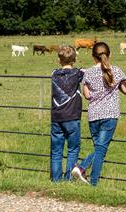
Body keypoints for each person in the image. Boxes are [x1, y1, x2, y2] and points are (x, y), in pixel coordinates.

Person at [71, 42, 126, 186]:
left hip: (94, 115)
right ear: (109, 55)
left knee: (99, 147)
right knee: (101, 149)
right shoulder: (116, 70)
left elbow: (87, 95)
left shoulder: (89, 73)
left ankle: (85, 172)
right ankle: (88, 175)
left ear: (93, 57)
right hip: (110, 115)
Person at [50, 45, 84, 182]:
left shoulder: (54, 74)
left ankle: (56, 180)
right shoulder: (77, 74)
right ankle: (69, 178)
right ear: (74, 59)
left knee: (56, 151)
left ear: (59, 60)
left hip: (56, 117)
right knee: (73, 149)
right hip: (72, 116)